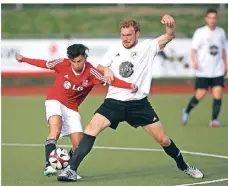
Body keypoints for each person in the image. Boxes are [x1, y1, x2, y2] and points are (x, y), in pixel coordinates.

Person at [57, 15, 204, 182]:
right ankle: (71, 169)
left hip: (139, 105)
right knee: (91, 129)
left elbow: (169, 36)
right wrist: (106, 70)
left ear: (137, 34)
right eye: (123, 35)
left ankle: (183, 165)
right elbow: (99, 69)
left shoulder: (148, 47)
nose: (125, 38)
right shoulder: (113, 50)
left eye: (129, 35)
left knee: (163, 139)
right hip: (114, 102)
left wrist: (170, 25)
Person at [15, 44, 137, 178]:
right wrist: (23, 59)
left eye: (79, 61)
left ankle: (67, 168)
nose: (76, 65)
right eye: (73, 62)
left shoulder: (91, 72)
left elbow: (110, 81)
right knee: (55, 129)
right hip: (55, 100)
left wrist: (129, 86)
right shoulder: (62, 63)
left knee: (79, 145)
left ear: (85, 58)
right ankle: (48, 165)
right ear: (70, 59)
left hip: (72, 108)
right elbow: (44, 63)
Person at [182, 8, 228, 127]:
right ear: (206, 19)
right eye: (210, 18)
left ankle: (214, 120)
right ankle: (186, 111)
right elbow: (193, 49)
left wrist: (226, 64)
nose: (212, 20)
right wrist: (194, 62)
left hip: (217, 69)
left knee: (218, 94)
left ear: (216, 19)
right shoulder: (200, 32)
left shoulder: (221, 32)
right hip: (203, 70)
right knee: (200, 94)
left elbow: (222, 50)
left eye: (214, 18)